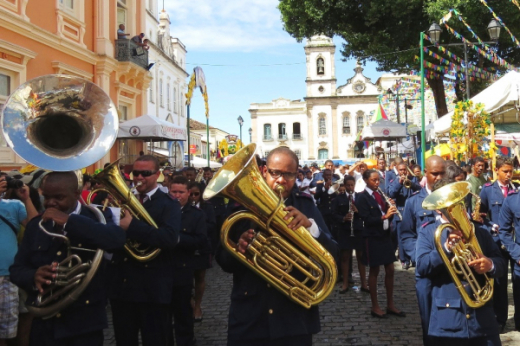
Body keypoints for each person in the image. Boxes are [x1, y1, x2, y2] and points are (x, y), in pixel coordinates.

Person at [216, 147, 338, 346]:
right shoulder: (240, 208)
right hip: (250, 317)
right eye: (275, 173)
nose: (281, 180)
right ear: (264, 171)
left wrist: (311, 229)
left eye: (288, 174)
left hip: (293, 318)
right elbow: (223, 261)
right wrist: (238, 249)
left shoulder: (306, 206)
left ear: (296, 174)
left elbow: (333, 254)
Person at [9, 172, 126, 346]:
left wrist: (69, 221)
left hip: (84, 325)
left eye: (59, 197)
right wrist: (33, 276)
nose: (50, 203)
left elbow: (116, 240)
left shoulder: (98, 217)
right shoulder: (37, 225)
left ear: (77, 194)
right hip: (45, 324)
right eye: (46, 197)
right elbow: (17, 269)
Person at [417, 178, 505, 346]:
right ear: (438, 207)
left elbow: (500, 262)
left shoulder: (481, 232)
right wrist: (446, 249)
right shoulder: (429, 233)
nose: (460, 208)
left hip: (483, 321)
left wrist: (490, 264)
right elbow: (422, 267)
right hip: (448, 321)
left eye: (460, 202)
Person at [108, 155, 182, 346]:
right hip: (122, 287)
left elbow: (169, 238)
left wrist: (132, 227)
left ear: (157, 175)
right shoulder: (122, 199)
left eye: (145, 173)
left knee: (156, 340)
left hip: (153, 288)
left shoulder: (169, 203)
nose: (139, 177)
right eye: (136, 173)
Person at [400, 155, 445, 345]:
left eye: (442, 173)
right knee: (429, 324)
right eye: (435, 173)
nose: (439, 177)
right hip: (426, 271)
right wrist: (418, 257)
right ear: (426, 173)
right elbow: (407, 235)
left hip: (450, 267)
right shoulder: (413, 201)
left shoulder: (452, 196)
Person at [355, 169, 404, 319]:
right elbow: (366, 219)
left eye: (378, 180)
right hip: (372, 237)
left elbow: (384, 212)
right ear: (365, 180)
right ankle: (375, 306)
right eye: (374, 180)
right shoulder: (361, 197)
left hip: (384, 236)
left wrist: (390, 207)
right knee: (374, 271)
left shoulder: (381, 195)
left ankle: (390, 304)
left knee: (390, 269)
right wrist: (384, 216)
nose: (377, 183)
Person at [168, 177, 208, 346]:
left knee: (183, 313)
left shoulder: (197, 215)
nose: (177, 196)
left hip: (182, 268)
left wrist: (176, 238)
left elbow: (200, 240)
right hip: (160, 269)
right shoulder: (163, 209)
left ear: (189, 193)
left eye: (181, 192)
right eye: (173, 192)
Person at [479, 157, 516, 331]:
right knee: (500, 284)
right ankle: (500, 319)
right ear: (497, 171)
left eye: (511, 171)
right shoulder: (487, 190)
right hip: (497, 242)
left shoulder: (516, 189)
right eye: (505, 171)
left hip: (515, 242)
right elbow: (480, 217)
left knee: (517, 281)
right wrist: (492, 225)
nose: (508, 175)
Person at [0, 176, 37, 346]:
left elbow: (36, 228)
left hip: (9, 275)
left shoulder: (14, 206)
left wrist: (26, 198)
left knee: (12, 334)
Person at [331, 176, 368, 293]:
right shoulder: (338, 199)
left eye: (352, 185)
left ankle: (364, 284)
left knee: (361, 257)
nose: (350, 187)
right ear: (344, 186)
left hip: (358, 230)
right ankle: (345, 283)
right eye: (348, 185)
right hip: (344, 230)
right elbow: (333, 214)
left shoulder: (360, 198)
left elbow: (366, 214)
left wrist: (358, 211)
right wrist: (343, 218)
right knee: (345, 257)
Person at [187, 181, 216, 323]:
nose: (193, 197)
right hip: (187, 247)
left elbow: (213, 224)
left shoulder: (207, 207)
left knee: (199, 277)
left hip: (202, 246)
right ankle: (190, 303)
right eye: (190, 194)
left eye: (196, 194)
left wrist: (199, 227)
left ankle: (197, 305)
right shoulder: (182, 208)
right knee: (186, 279)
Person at [387, 162, 421, 269]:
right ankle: (404, 260)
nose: (403, 172)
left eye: (404, 170)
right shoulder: (395, 180)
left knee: (415, 235)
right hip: (400, 211)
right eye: (401, 170)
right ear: (397, 169)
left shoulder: (413, 179)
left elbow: (420, 189)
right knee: (401, 237)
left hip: (412, 211)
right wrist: (399, 183)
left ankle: (414, 258)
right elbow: (391, 193)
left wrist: (411, 183)